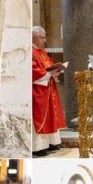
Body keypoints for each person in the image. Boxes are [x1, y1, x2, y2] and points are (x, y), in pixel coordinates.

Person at [32, 26, 66, 157]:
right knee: (41, 117)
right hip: (38, 90)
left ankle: (52, 143)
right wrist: (49, 73)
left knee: (51, 116)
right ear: (32, 37)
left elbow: (49, 64)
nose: (44, 40)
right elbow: (33, 71)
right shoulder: (31, 51)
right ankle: (38, 147)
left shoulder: (42, 51)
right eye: (42, 37)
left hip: (48, 88)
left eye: (45, 37)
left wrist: (55, 70)